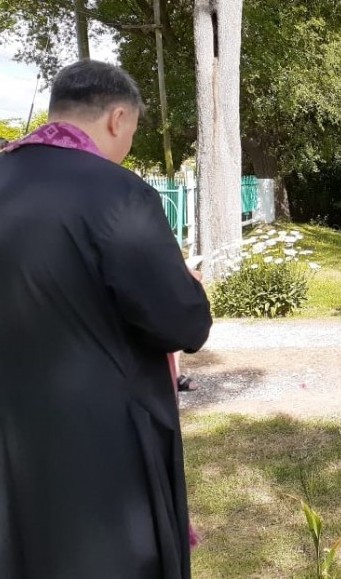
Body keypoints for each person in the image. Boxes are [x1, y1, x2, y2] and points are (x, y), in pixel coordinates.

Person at [0, 60, 212, 578]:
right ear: (118, 118)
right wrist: (190, 286)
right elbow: (180, 325)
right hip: (99, 447)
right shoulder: (118, 192)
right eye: (133, 133)